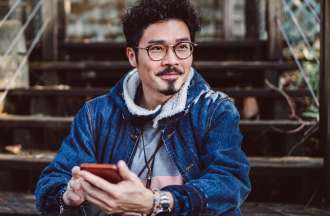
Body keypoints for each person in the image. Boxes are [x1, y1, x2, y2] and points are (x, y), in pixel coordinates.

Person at [35, 0, 251, 215]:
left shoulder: (216, 111)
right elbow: (51, 183)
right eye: (156, 49)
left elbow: (230, 182)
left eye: (182, 47)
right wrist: (68, 197)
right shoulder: (95, 115)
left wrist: (157, 202)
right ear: (132, 56)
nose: (172, 60)